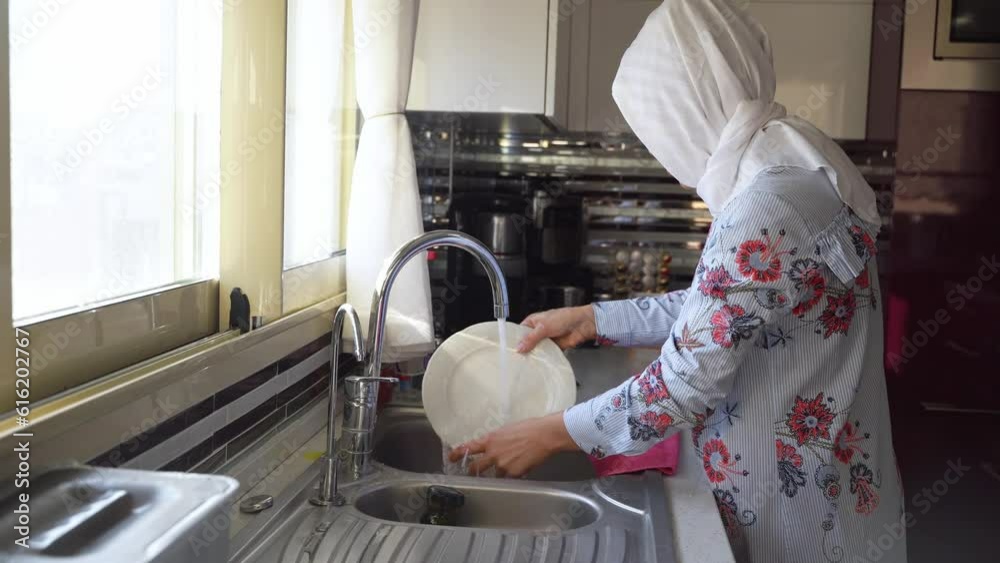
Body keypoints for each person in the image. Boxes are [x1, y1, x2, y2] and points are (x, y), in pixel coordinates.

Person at [449, 1, 906, 561]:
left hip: (797, 522)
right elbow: (726, 309)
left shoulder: (767, 203)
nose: (665, 155)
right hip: (828, 496)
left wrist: (550, 433)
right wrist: (594, 318)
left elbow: (685, 382)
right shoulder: (801, 171)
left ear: (686, 109)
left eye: (657, 128)